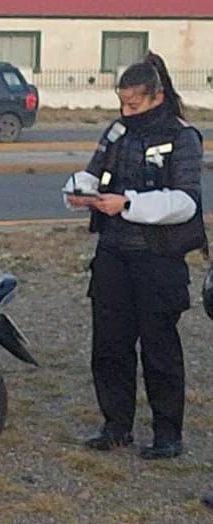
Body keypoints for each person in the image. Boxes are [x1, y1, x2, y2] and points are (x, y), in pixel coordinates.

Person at [62, 51, 207, 460]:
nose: (126, 111)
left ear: (157, 96)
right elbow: (92, 172)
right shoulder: (116, 132)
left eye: (134, 104)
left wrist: (126, 204)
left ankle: (167, 435)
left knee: (159, 348)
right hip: (112, 255)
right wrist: (78, 191)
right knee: (109, 345)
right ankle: (116, 426)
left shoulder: (182, 138)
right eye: (122, 103)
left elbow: (186, 202)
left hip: (158, 259)